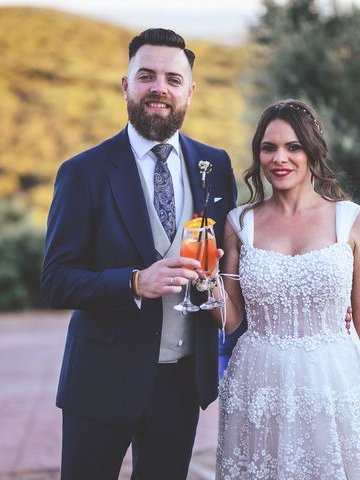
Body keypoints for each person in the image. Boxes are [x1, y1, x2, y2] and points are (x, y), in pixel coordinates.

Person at [40, 28, 237, 479]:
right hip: (100, 380)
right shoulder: (83, 172)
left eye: (172, 78)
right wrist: (133, 282)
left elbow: (231, 262)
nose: (159, 88)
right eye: (146, 76)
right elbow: (55, 280)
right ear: (126, 85)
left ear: (190, 90)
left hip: (181, 381)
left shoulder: (215, 164)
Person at [214, 99, 360, 479]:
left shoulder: (350, 219)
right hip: (260, 384)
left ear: (312, 152)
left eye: (292, 146)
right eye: (269, 147)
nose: (279, 158)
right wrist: (207, 283)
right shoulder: (239, 223)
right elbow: (231, 320)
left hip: (336, 381)